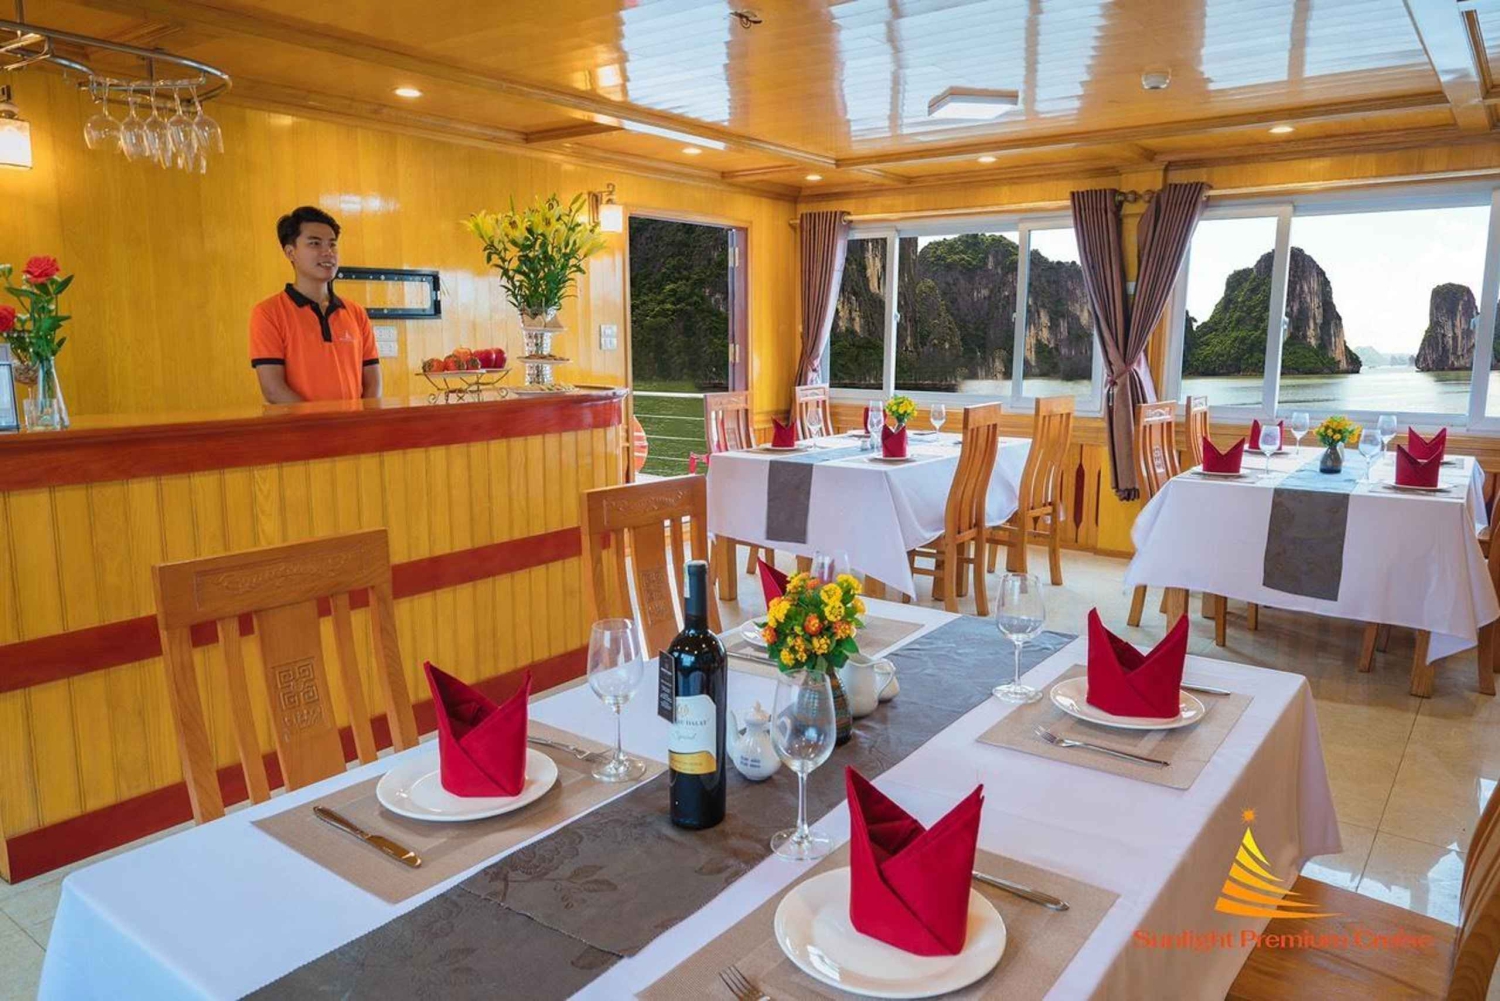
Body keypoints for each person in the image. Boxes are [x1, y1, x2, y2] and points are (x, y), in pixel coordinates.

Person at [249, 206, 381, 403]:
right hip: (302, 424)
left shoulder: (356, 313)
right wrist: (321, 422)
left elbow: (373, 384)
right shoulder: (268, 313)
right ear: (290, 252)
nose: (328, 252)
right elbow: (273, 390)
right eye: (315, 243)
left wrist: (360, 420)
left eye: (332, 244)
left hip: (354, 423)